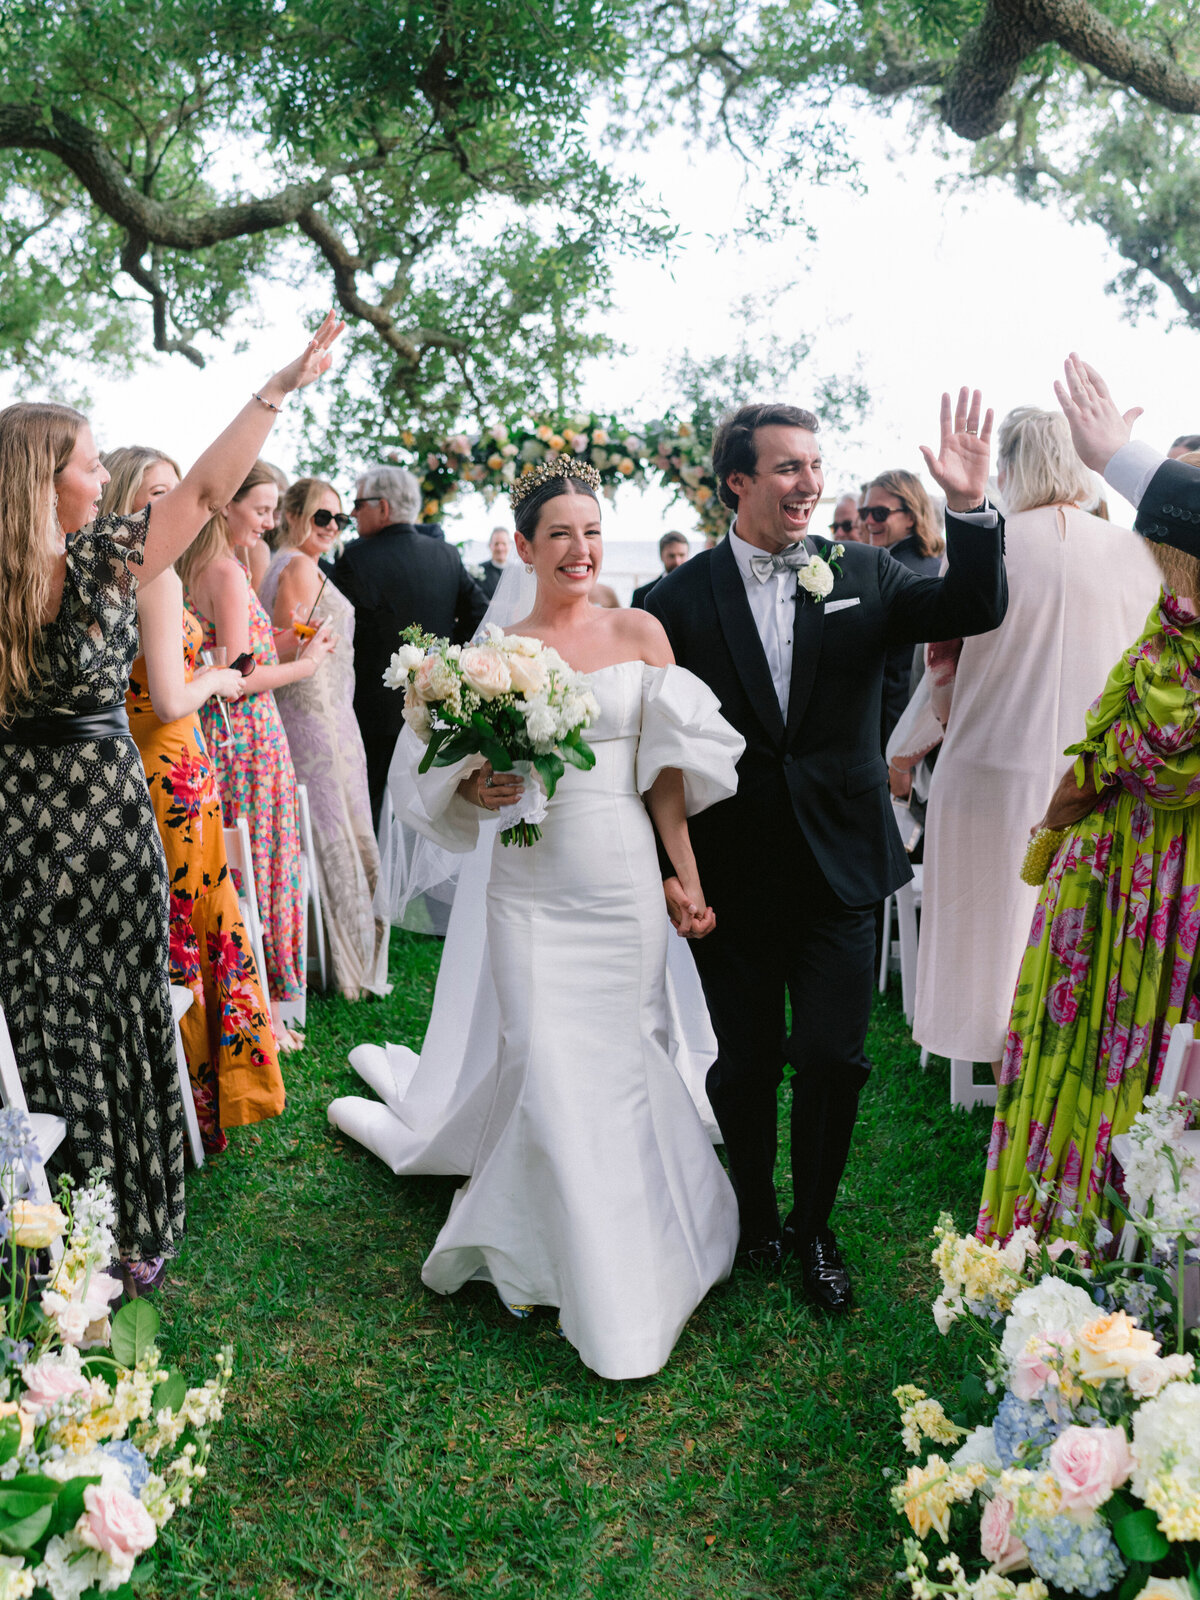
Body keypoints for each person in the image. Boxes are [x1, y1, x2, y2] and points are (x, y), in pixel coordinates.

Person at [329, 456, 744, 1380]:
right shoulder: (488, 659)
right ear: (523, 546)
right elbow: (437, 785)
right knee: (542, 1059)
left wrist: (684, 878)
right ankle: (540, 1249)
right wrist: (477, 783)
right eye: (560, 533)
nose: (581, 549)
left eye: (591, 531)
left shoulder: (640, 629)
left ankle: (645, 1246)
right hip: (527, 885)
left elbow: (664, 772)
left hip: (622, 879)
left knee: (624, 1055)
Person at [646, 390, 1008, 1308]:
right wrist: (669, 869)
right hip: (732, 867)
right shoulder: (674, 601)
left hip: (844, 862)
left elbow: (976, 602)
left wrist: (967, 508)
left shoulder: (868, 573)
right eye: (787, 467)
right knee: (745, 1057)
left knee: (836, 1056)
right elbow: (649, 747)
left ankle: (813, 1227)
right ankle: (755, 1214)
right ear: (738, 481)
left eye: (815, 464)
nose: (810, 483)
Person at [0, 312, 341, 1284]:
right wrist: (275, 388)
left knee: (34, 1025)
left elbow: (192, 489)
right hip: (102, 823)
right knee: (114, 1015)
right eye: (88, 461)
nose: (99, 474)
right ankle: (119, 1226)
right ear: (45, 478)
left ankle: (40, 1228)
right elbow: (199, 490)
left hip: (18, 828)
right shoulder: (103, 564)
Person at [912, 406, 1161, 1081]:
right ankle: (1076, 1081)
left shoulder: (980, 548)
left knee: (991, 947)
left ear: (1008, 466)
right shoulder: (1138, 554)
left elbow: (942, 675)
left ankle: (1005, 1072)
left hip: (987, 771)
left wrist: (904, 750)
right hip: (1094, 782)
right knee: (1086, 939)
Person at [103, 446, 287, 1155]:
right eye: (157, 491)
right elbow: (177, 695)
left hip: (145, 766)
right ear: (125, 497)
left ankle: (193, 1094)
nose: (172, 503)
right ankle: (202, 1098)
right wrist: (216, 675)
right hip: (172, 764)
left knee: (183, 922)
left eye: (176, 490)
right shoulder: (155, 578)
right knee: (190, 925)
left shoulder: (105, 576)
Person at [178, 463, 337, 1051]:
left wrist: (289, 644)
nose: (272, 522)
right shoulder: (222, 568)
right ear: (224, 505)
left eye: (274, 510)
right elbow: (240, 677)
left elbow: (229, 658)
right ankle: (263, 1000)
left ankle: (255, 997)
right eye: (262, 508)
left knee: (251, 860)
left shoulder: (208, 565)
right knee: (261, 860)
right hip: (246, 733)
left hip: (229, 731)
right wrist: (309, 661)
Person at [260, 478, 391, 1001]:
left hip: (331, 709)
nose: (332, 528)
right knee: (332, 827)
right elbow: (286, 642)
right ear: (292, 515)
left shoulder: (290, 564)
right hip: (316, 715)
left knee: (332, 827)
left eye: (338, 519)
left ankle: (340, 954)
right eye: (321, 517)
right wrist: (313, 643)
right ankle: (343, 962)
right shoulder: (295, 565)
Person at [330, 465, 488, 828]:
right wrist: (443, 665)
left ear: (382, 508)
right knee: (426, 813)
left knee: (371, 812)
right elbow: (480, 614)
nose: (353, 513)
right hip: (436, 711)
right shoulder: (445, 554)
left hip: (369, 712)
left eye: (358, 503)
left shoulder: (355, 559)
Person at [861, 469, 945, 751]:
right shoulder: (936, 564)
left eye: (880, 513)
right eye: (865, 513)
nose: (869, 521)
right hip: (928, 730)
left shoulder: (890, 573)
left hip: (894, 731)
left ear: (910, 515)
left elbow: (897, 672)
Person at [631, 531, 690, 609]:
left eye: (681, 555)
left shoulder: (700, 591)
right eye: (671, 556)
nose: (677, 561)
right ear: (661, 556)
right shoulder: (641, 595)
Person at [478, 526, 509, 599]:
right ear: (490, 545)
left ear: (509, 545)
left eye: (504, 544)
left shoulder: (518, 571)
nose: (500, 548)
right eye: (496, 544)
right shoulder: (479, 570)